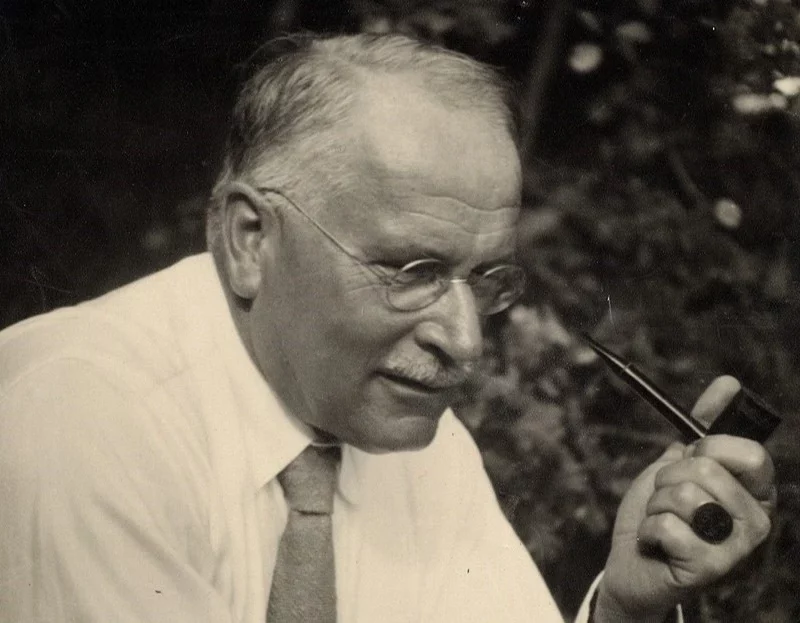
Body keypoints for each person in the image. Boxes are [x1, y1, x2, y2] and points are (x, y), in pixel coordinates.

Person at [0, 33, 775, 623]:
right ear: (248, 239)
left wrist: (625, 612)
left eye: (486, 279)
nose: (465, 342)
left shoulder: (409, 437)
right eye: (412, 273)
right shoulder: (86, 416)